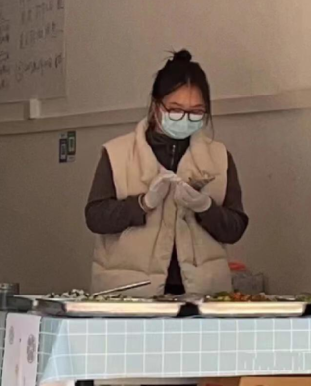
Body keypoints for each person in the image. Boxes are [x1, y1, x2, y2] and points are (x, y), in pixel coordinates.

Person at [85, 50, 249, 297]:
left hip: (201, 293)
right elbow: (95, 218)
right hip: (130, 293)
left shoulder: (219, 157)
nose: (185, 118)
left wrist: (205, 207)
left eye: (196, 111)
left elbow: (235, 228)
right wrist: (142, 204)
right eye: (175, 109)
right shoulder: (117, 153)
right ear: (156, 106)